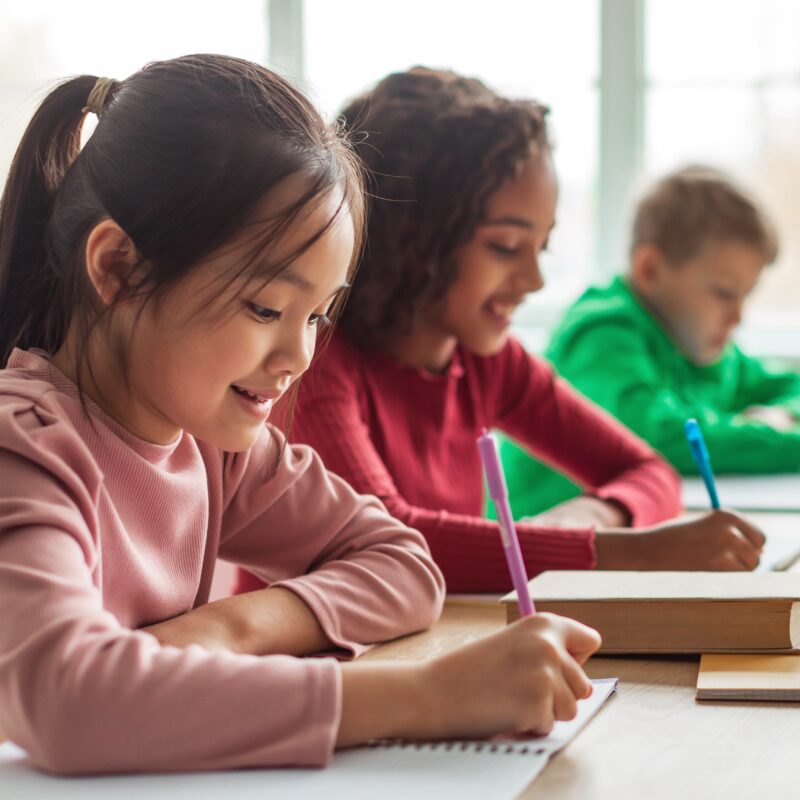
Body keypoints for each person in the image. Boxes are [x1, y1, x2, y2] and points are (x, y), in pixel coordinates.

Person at [0, 55, 601, 775]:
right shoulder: (25, 451)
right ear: (119, 268)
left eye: (317, 315)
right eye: (266, 308)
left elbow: (405, 564)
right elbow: (72, 702)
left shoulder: (214, 447)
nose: (298, 354)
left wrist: (227, 626)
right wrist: (424, 696)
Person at [236, 69, 765, 598]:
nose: (534, 280)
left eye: (542, 247)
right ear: (414, 239)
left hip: (433, 650)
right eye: (507, 247)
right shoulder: (314, 361)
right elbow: (388, 544)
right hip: (308, 671)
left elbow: (649, 470)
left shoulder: (487, 361)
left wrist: (594, 514)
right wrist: (629, 552)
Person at [502, 165, 800, 517]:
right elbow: (659, 440)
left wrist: (779, 414)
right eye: (723, 293)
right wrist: (759, 432)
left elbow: (789, 385)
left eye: (745, 295)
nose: (738, 317)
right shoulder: (602, 335)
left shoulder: (703, 349)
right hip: (529, 559)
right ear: (650, 270)